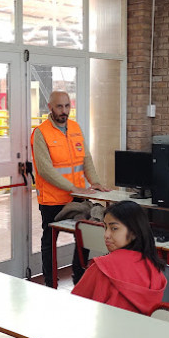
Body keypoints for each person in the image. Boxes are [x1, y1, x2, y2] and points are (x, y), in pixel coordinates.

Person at [32, 90, 110, 287]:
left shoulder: (75, 127)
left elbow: (86, 159)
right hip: (52, 200)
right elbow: (45, 170)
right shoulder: (41, 132)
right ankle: (50, 283)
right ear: (49, 107)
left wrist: (95, 182)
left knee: (83, 235)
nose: (64, 111)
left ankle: (79, 279)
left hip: (77, 197)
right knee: (49, 241)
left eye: (67, 106)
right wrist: (75, 188)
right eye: (59, 106)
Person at [72, 200, 166, 315]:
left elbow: (75, 306)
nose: (106, 235)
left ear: (134, 232)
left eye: (114, 228)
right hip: (142, 331)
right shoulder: (154, 267)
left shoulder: (102, 268)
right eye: (105, 227)